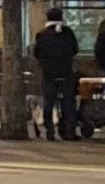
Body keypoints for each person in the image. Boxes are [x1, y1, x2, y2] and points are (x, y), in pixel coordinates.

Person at [33, 8, 79, 141]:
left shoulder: (42, 34)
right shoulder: (68, 33)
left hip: (49, 74)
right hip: (66, 72)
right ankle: (69, 130)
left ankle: (50, 131)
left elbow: (37, 53)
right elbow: (75, 49)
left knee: (49, 102)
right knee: (68, 102)